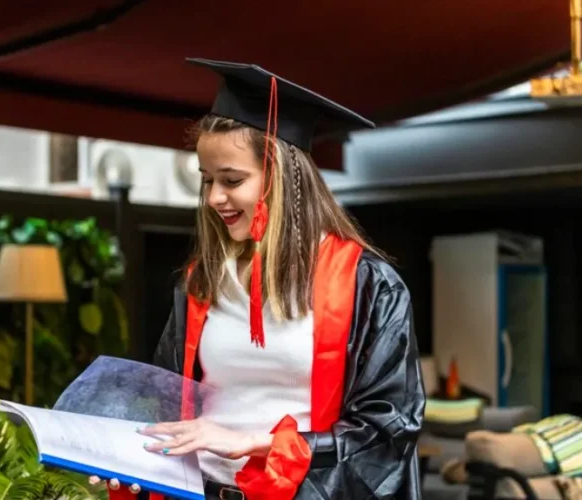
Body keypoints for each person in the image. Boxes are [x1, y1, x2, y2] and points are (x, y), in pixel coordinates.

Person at [96, 57, 426, 500]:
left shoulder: (368, 286)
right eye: (207, 179)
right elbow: (167, 405)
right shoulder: (202, 282)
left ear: (281, 177)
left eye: (232, 180)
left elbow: (389, 428)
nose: (215, 197)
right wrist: (124, 456)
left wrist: (261, 443)